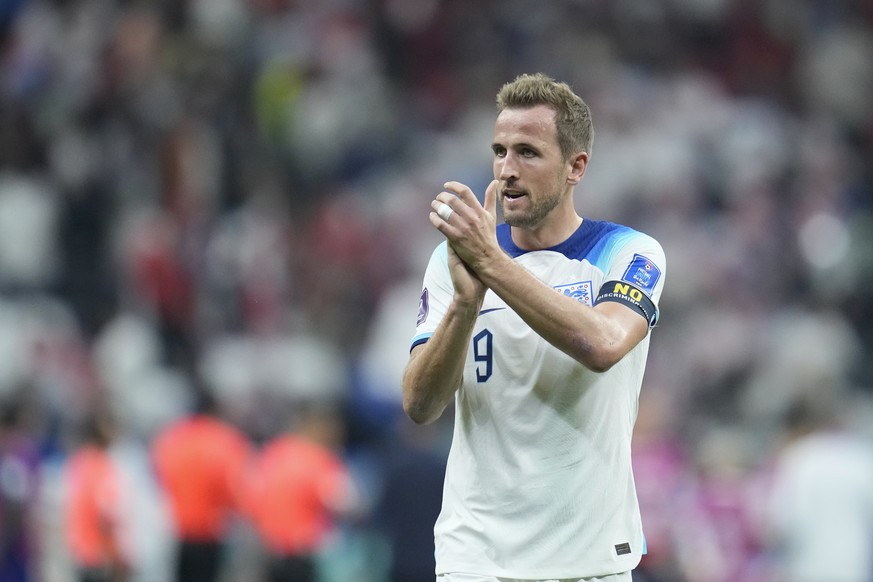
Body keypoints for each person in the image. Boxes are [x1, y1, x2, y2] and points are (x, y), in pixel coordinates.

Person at [402, 73, 667, 581]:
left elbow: (603, 343)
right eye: (499, 151)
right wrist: (464, 303)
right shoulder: (451, 261)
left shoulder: (629, 252)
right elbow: (420, 406)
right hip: (476, 558)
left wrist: (492, 264)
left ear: (576, 166)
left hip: (590, 560)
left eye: (528, 152)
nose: (507, 170)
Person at [244, 399, 361, 582]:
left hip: (270, 551)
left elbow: (251, 497)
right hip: (304, 554)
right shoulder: (320, 461)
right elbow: (345, 503)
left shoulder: (273, 453)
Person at [151, 387, 253, 582]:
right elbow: (235, 489)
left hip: (180, 531)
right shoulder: (226, 441)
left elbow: (160, 475)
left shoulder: (173, 438)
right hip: (212, 532)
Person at [63, 410, 132, 582]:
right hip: (99, 555)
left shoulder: (78, 461)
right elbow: (104, 516)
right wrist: (117, 556)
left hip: (80, 552)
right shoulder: (101, 467)